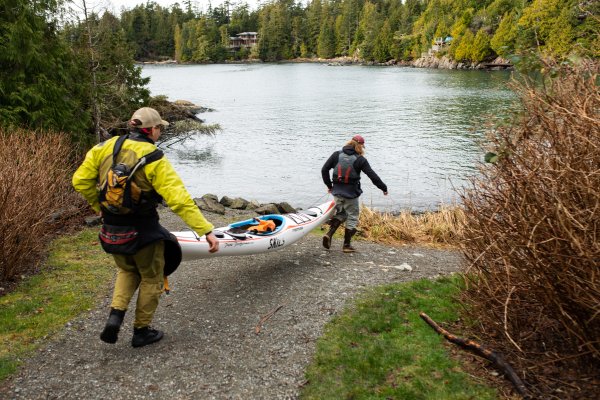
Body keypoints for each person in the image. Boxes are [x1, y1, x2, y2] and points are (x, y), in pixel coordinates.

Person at [72, 107, 219, 348]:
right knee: (152, 277)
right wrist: (206, 230)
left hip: (111, 229)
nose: (160, 132)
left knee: (127, 270)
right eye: (159, 127)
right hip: (143, 232)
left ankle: (115, 318)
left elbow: (79, 180)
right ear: (151, 130)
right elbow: (179, 200)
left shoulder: (104, 147)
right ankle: (141, 330)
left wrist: (98, 205)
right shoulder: (153, 157)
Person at [321, 134, 388, 253]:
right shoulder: (360, 159)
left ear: (349, 142)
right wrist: (383, 188)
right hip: (351, 194)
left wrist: (330, 186)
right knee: (352, 216)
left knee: (341, 214)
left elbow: (324, 169)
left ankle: (329, 234)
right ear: (360, 146)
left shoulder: (336, 155)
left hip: (337, 192)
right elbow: (372, 175)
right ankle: (346, 245)